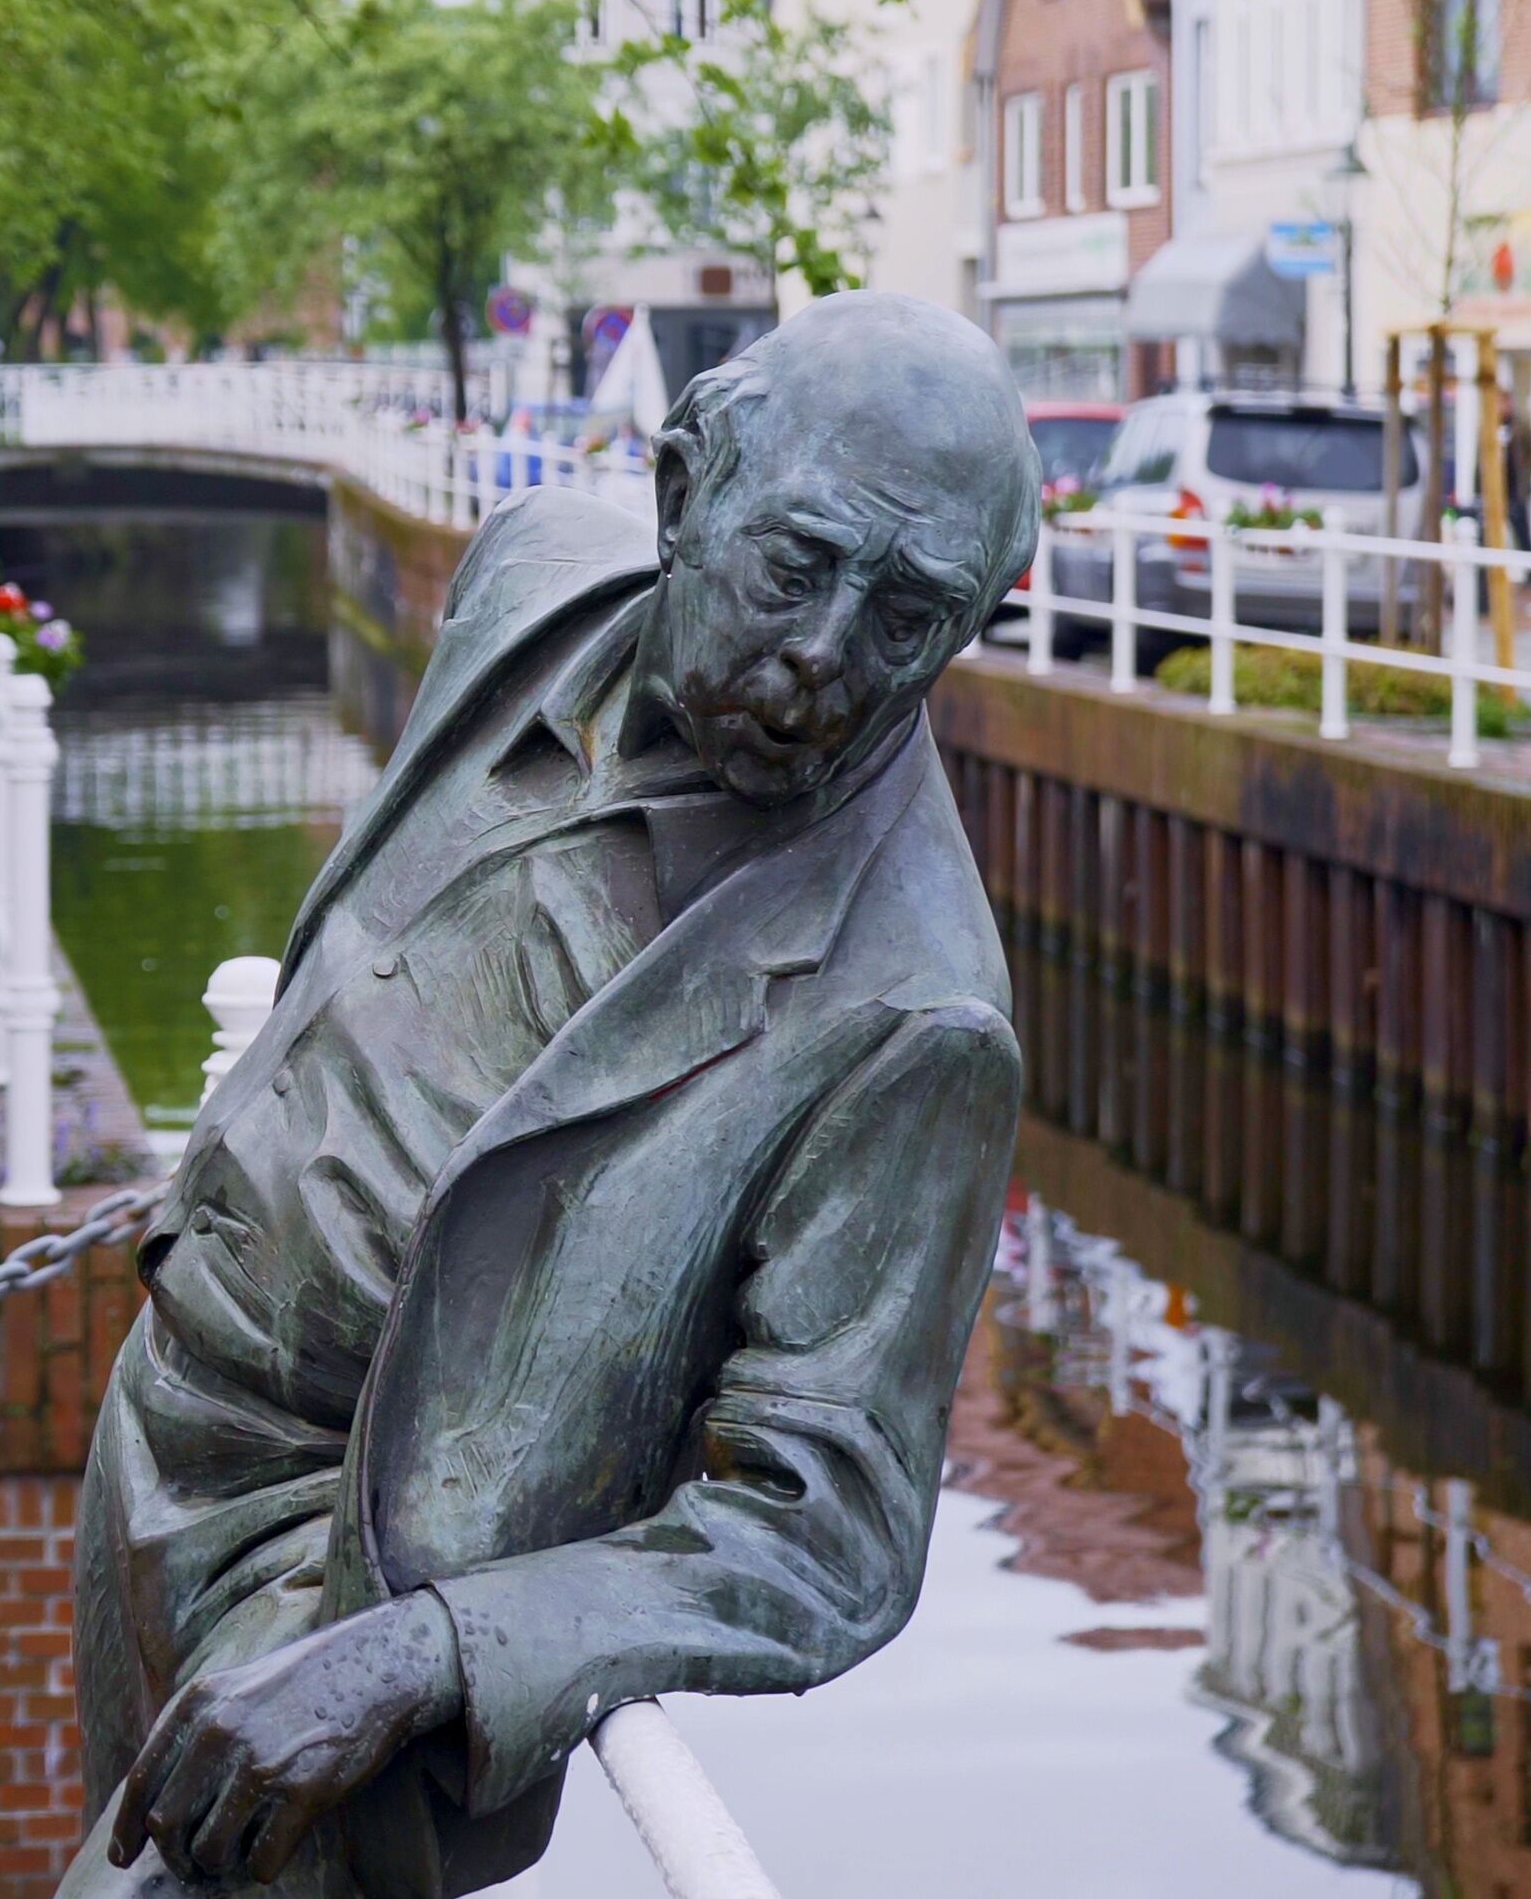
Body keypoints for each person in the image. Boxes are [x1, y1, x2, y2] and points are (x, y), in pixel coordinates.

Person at [63, 292, 1041, 1898]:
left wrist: (421, 1658)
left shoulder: (915, 1013)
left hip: (341, 1588)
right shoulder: (527, 580)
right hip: (157, 1431)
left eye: (906, 618)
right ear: (682, 495)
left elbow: (830, 1534)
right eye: (796, 566)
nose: (824, 657)